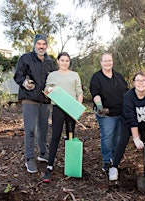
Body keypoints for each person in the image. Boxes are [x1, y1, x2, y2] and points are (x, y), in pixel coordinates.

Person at [108, 71, 145, 181]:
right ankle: (114, 167)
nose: (141, 83)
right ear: (133, 83)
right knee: (122, 141)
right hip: (128, 123)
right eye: (138, 81)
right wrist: (135, 138)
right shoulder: (129, 96)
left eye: (143, 80)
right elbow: (132, 119)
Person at [14, 34, 56, 173]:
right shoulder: (25, 58)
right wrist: (25, 83)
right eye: (39, 44)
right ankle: (29, 158)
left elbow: (55, 78)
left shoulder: (50, 61)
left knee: (43, 129)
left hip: (45, 100)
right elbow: (18, 76)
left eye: (44, 44)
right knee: (30, 130)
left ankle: (43, 153)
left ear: (46, 46)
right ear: (34, 45)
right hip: (30, 98)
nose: (41, 46)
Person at [42, 52, 83, 183]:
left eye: (67, 61)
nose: (65, 63)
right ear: (58, 61)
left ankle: (71, 165)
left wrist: (78, 107)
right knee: (55, 137)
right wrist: (50, 91)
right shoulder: (52, 75)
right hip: (58, 109)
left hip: (71, 110)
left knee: (70, 137)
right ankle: (49, 167)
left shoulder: (74, 75)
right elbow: (47, 91)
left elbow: (79, 92)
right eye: (62, 60)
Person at [89, 52, 128, 174]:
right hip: (106, 113)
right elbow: (95, 94)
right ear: (101, 63)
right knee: (107, 137)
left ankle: (115, 159)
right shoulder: (97, 77)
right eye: (105, 61)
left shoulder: (119, 77)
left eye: (109, 60)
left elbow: (126, 92)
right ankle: (106, 161)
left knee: (118, 137)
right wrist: (99, 105)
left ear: (113, 62)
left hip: (121, 112)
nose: (107, 63)